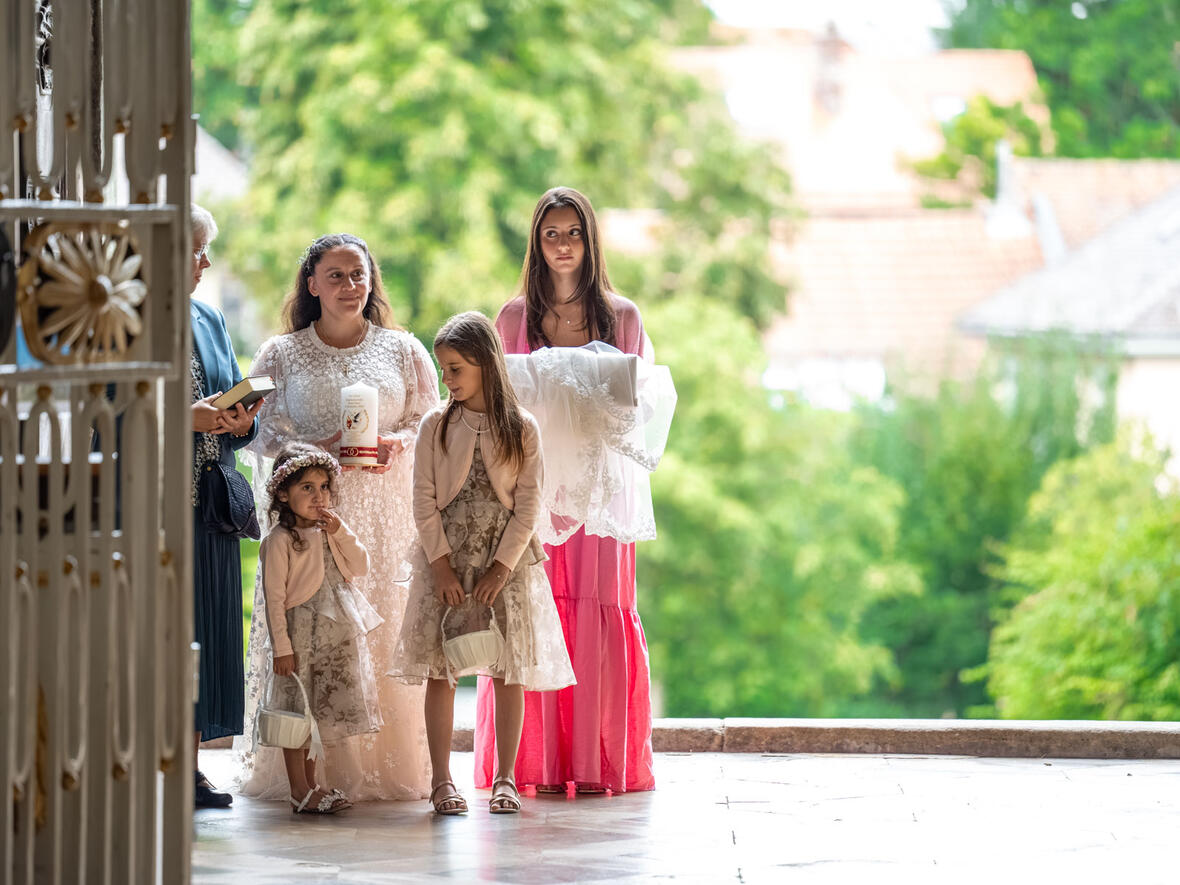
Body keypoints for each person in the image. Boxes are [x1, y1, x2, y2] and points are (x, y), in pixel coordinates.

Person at [238, 233, 438, 801]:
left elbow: (432, 422)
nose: (349, 286)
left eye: (358, 274)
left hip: (381, 515)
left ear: (371, 282)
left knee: (380, 629)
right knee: (312, 634)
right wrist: (309, 450)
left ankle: (384, 765)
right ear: (312, 284)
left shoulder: (404, 350)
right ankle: (309, 775)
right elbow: (255, 432)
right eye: (336, 275)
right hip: (310, 520)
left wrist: (397, 443)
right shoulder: (280, 354)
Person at [474, 187, 657, 793]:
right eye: (550, 234)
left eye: (573, 233)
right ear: (536, 242)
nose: (562, 245)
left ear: (590, 240)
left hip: (601, 495)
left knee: (600, 608)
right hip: (532, 490)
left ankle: (596, 763)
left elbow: (632, 408)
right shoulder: (511, 319)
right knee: (529, 613)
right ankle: (533, 766)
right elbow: (496, 407)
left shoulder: (623, 317)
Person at [390, 312, 574, 815]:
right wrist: (440, 565)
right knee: (441, 668)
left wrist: (502, 567)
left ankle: (505, 778)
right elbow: (423, 499)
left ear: (485, 364)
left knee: (508, 669)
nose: (446, 379)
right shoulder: (435, 425)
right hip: (448, 556)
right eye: (443, 369)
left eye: (455, 369)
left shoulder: (522, 428)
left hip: (502, 560)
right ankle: (441, 780)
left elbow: (529, 505)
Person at [257, 443, 384, 814]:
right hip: (300, 634)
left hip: (331, 635)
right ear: (284, 494)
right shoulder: (279, 540)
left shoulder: (331, 530)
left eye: (324, 487)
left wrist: (341, 531)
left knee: (314, 714)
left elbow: (360, 565)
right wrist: (282, 647)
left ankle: (312, 785)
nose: (319, 496)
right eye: (307, 488)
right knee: (296, 711)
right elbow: (274, 599)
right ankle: (299, 788)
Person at [189, 203, 263, 808]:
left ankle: (186, 766)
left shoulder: (209, 317)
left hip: (211, 506)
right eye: (196, 250)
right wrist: (183, 415)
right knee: (163, 629)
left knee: (209, 629)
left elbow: (236, 408)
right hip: (151, 502)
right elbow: (102, 407)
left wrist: (240, 420)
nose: (206, 262)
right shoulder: (123, 318)